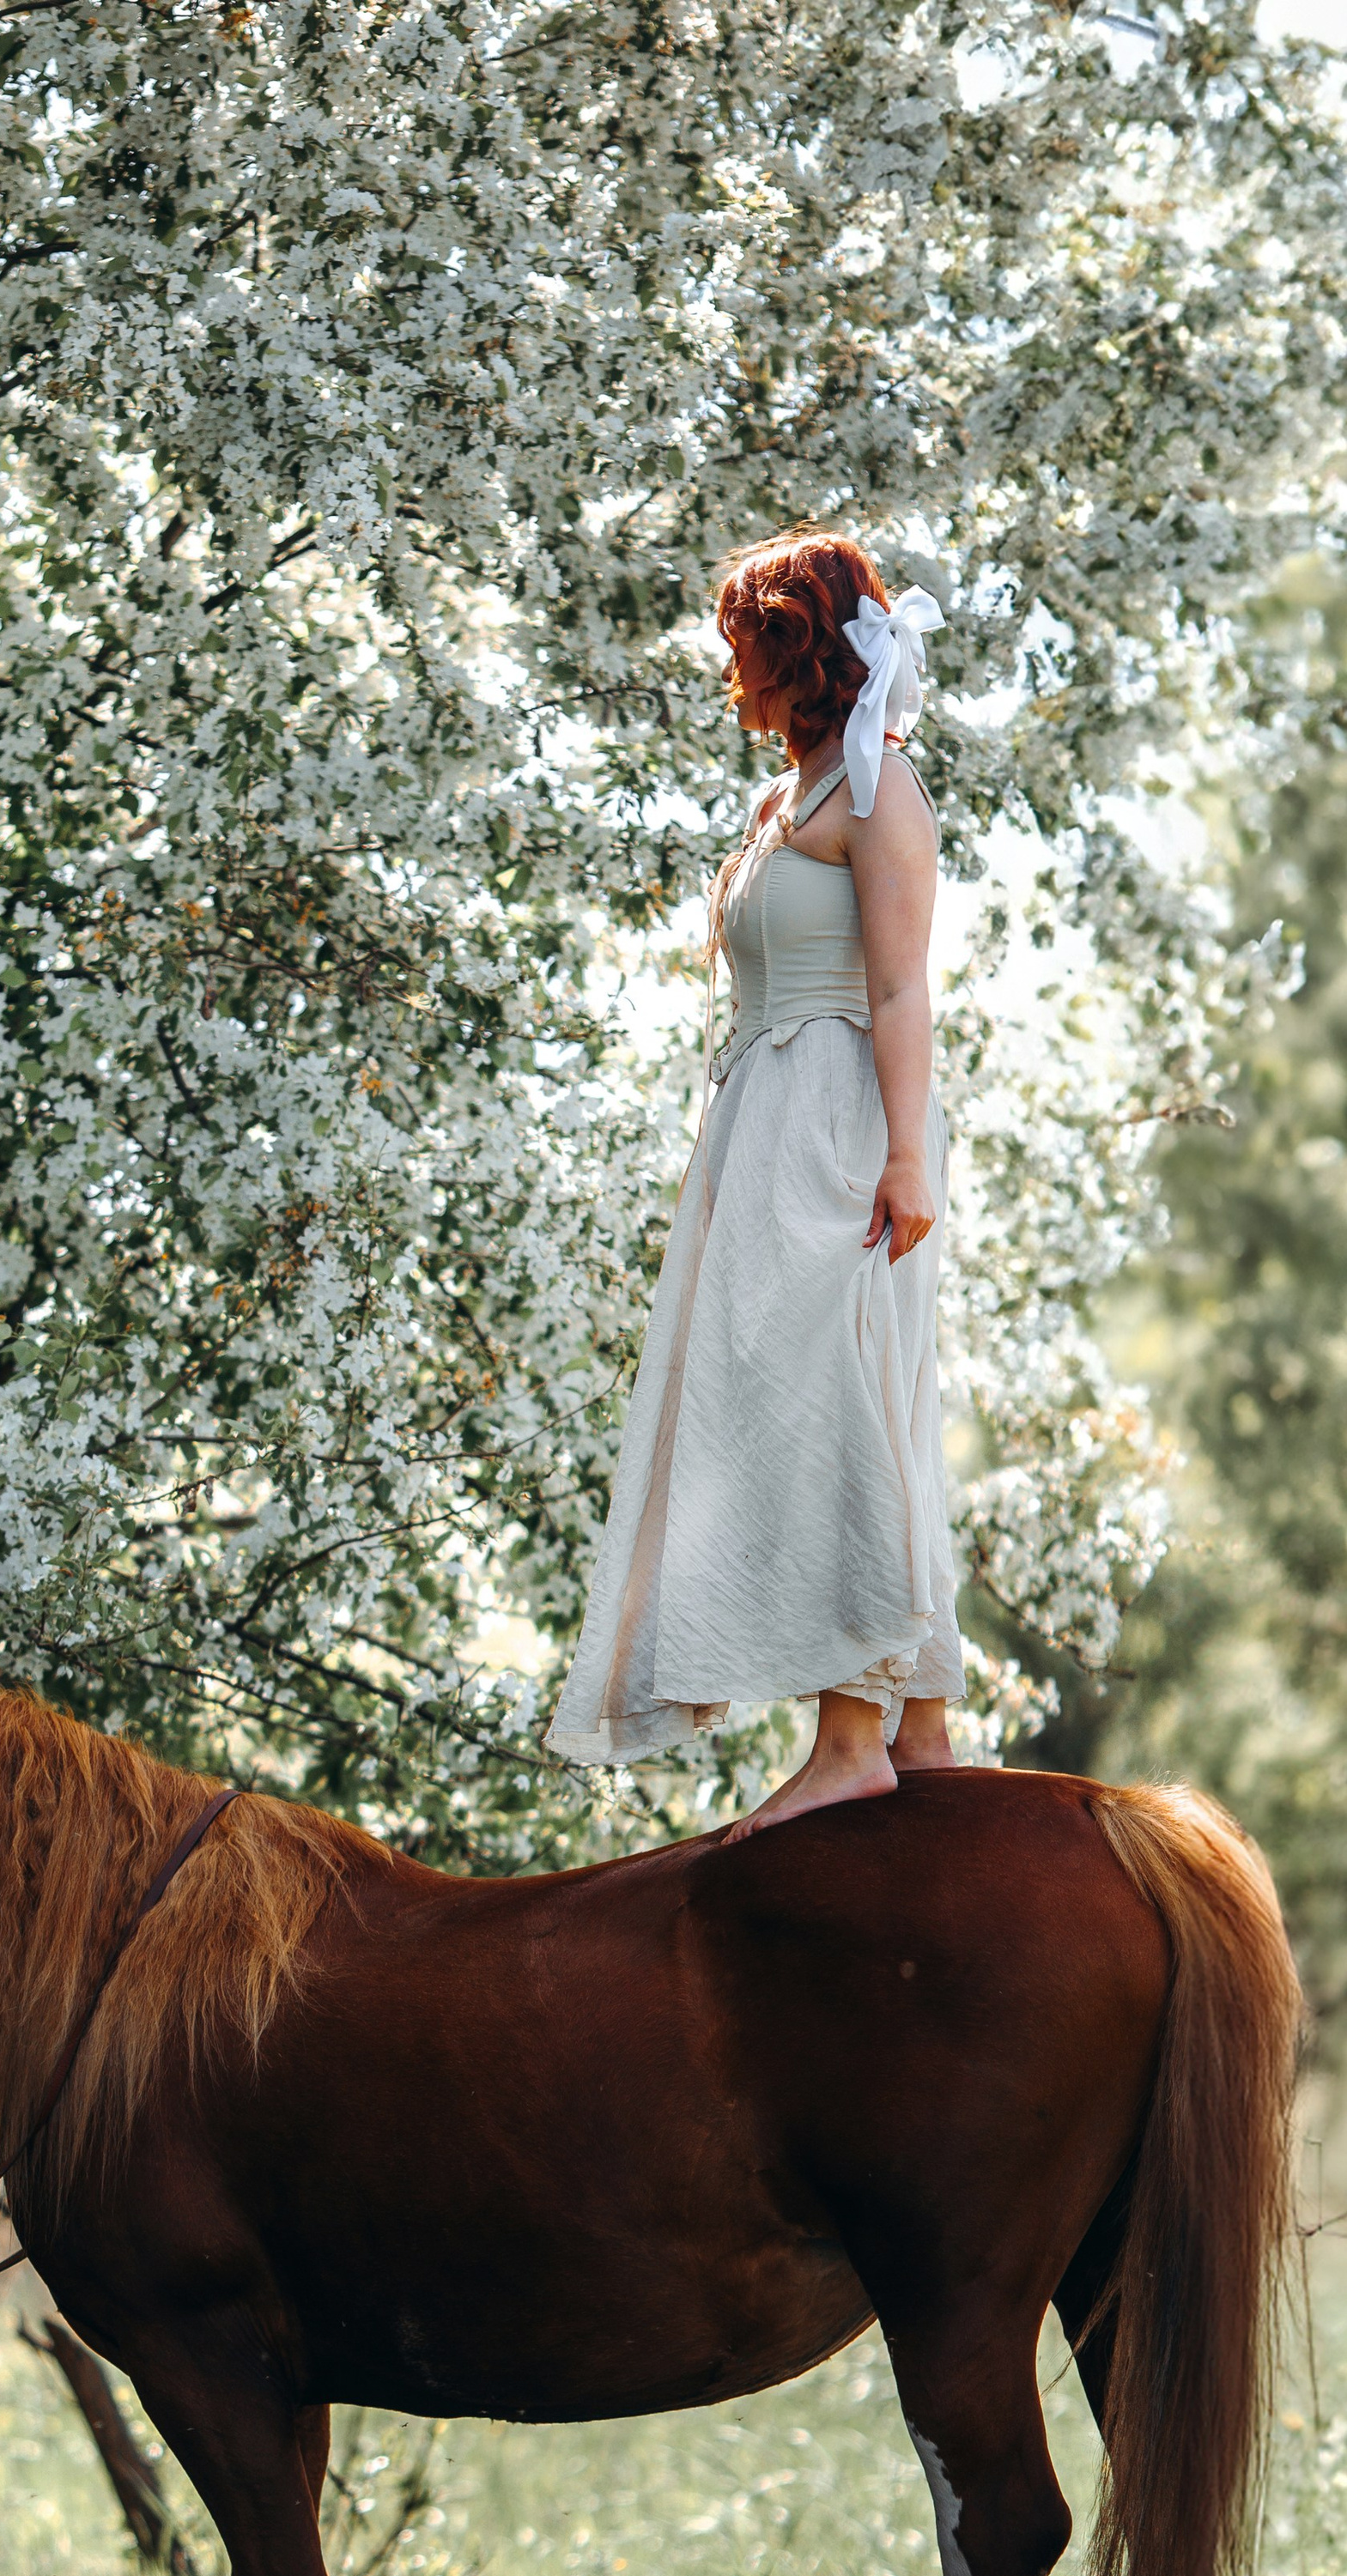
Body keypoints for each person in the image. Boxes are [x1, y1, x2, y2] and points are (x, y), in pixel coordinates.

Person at [548, 530, 964, 1835]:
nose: (739, 676)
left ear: (798, 653)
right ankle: (926, 1717)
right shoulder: (789, 801)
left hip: (842, 1116)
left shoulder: (879, 794)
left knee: (839, 1383)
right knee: (819, 1386)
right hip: (767, 1119)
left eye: (751, 648)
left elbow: (901, 990)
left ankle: (855, 1734)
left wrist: (902, 1156)